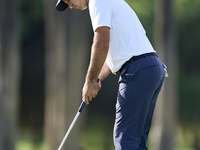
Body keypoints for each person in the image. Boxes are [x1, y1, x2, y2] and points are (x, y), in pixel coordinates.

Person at [55, 0, 166, 149]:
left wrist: (90, 80)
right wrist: (97, 79)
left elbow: (101, 44)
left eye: (68, 0)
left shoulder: (97, 2)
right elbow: (111, 52)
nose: (69, 5)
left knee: (124, 140)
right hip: (151, 69)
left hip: (137, 71)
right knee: (136, 142)